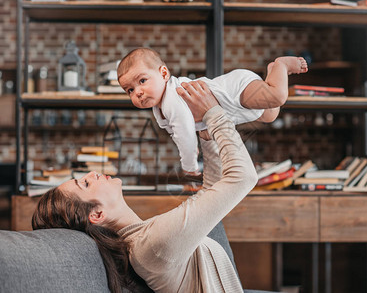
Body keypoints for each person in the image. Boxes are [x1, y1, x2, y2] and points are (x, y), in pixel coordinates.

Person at [32, 80, 260, 293]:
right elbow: (243, 178)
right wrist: (214, 114)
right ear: (97, 213)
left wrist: (205, 135)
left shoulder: (148, 238)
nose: (92, 174)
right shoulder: (152, 247)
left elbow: (214, 189)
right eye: (85, 183)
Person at [117, 47, 308, 175]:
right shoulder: (160, 110)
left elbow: (184, 135)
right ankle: (272, 71)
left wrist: (189, 166)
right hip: (235, 110)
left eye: (142, 81)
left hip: (236, 90)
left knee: (277, 97)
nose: (138, 92)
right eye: (130, 90)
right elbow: (181, 134)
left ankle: (281, 64)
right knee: (270, 115)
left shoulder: (171, 99)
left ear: (164, 74)